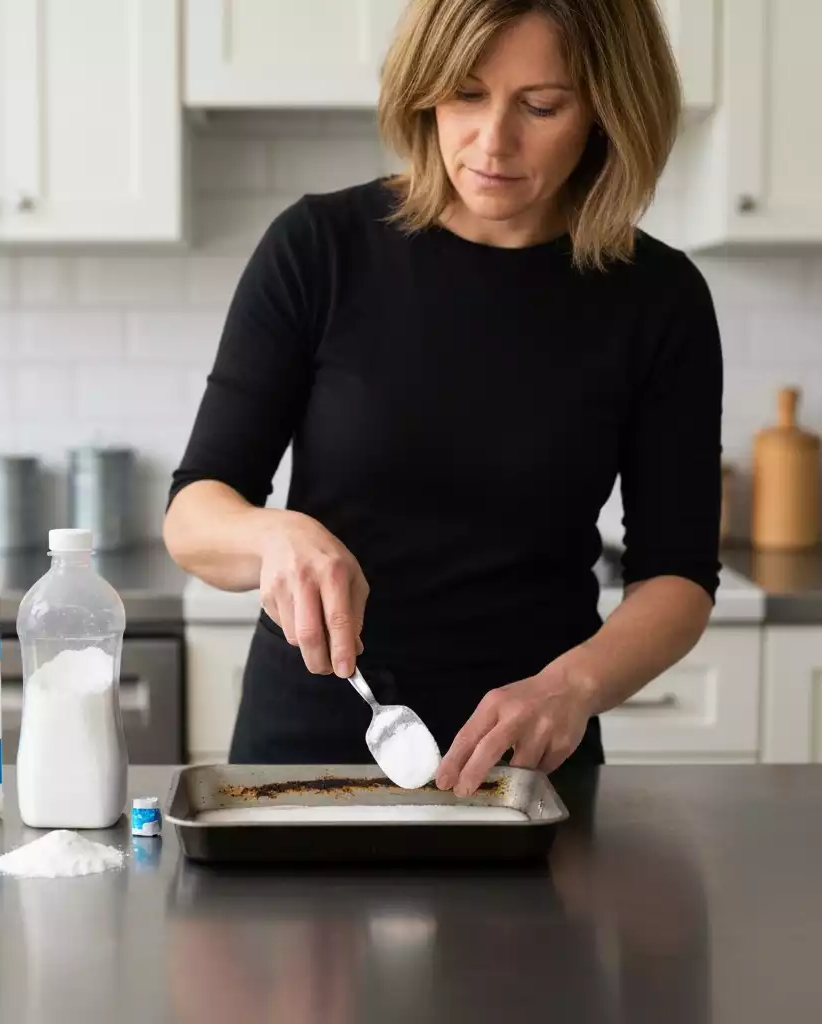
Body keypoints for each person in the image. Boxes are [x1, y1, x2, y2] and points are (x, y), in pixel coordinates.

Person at [164, 0, 722, 796]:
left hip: (530, 759)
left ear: (607, 109)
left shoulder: (658, 298)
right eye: (464, 93)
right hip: (307, 745)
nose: (493, 141)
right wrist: (274, 536)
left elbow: (678, 576)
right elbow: (193, 515)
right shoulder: (321, 249)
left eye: (540, 105)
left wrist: (576, 686)